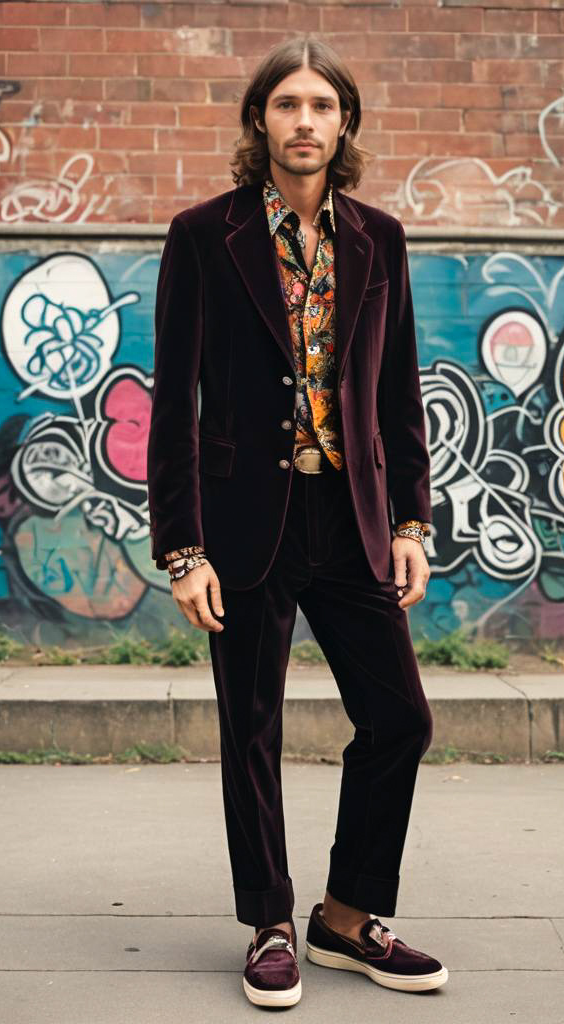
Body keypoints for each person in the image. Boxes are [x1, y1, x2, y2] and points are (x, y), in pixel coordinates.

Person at [146, 34, 447, 1008]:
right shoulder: (204, 234)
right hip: (242, 525)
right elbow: (174, 397)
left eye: (322, 105)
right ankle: (269, 922)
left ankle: (347, 916)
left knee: (399, 716)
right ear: (259, 120)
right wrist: (181, 546)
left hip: (351, 515)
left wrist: (411, 518)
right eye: (287, 105)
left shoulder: (378, 237)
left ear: (345, 121)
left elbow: (395, 389)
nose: (304, 121)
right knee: (253, 731)